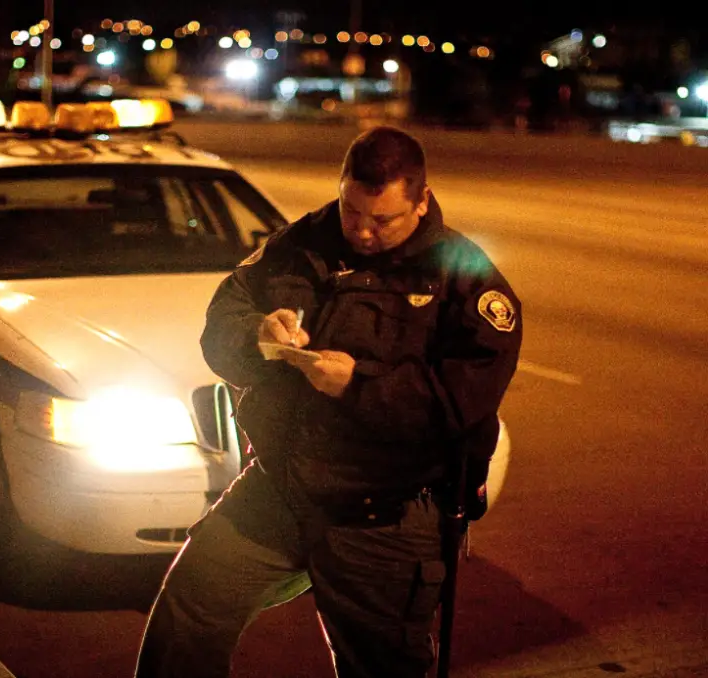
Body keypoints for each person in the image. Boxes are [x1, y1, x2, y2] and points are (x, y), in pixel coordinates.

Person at [134, 126, 522, 677]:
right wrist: (258, 335)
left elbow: (463, 399)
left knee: (379, 667)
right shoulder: (302, 242)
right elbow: (223, 319)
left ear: (422, 201)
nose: (362, 230)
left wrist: (358, 386)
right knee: (190, 612)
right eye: (351, 210)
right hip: (282, 488)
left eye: (381, 219)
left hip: (385, 514)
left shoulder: (462, 276)